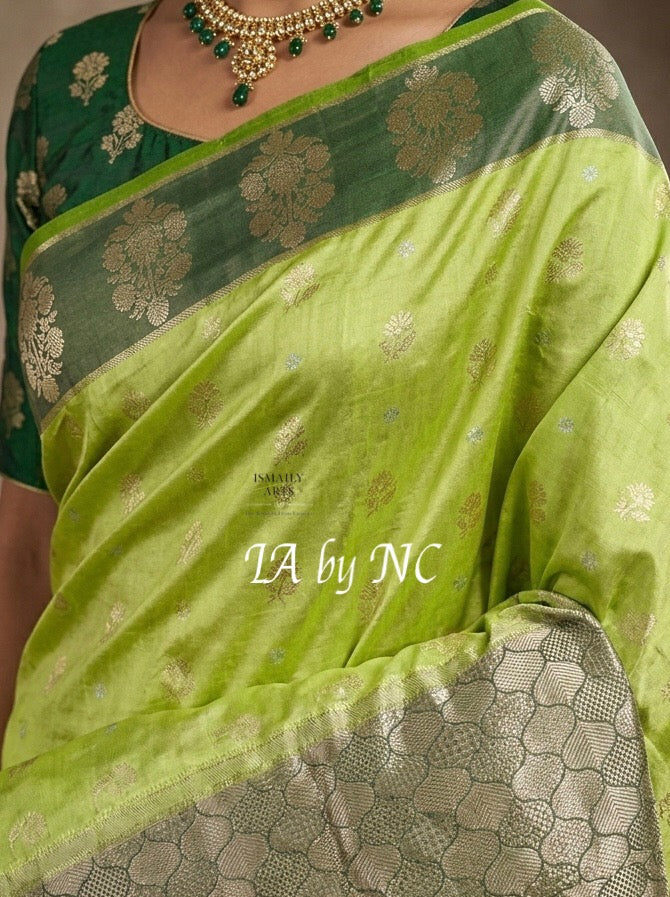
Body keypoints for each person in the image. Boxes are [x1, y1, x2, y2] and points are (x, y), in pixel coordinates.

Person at [1, 0, 669, 892]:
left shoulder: (542, 93)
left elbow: (623, 614)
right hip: (61, 835)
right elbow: (26, 538)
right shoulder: (64, 90)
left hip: (365, 841)